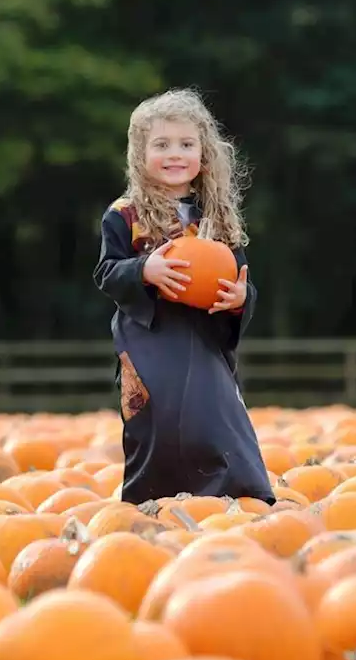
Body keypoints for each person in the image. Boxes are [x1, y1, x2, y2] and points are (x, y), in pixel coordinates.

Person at [93, 88, 275, 506]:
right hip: (149, 340)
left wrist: (240, 298)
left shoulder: (217, 215)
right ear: (140, 154)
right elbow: (106, 272)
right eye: (162, 145)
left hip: (204, 338)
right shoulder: (124, 214)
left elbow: (240, 278)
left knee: (218, 417)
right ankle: (151, 502)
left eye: (186, 144)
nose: (175, 154)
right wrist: (144, 269)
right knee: (155, 420)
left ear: (204, 154)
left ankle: (238, 498)